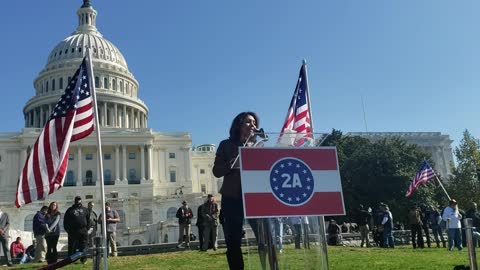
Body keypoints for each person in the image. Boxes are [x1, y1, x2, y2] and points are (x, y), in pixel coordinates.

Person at [212, 112, 260, 269]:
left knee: (264, 237)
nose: (252, 125)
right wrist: (232, 164)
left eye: (254, 122)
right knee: (233, 243)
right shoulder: (226, 145)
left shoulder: (260, 146)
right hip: (232, 198)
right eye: (248, 122)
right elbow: (216, 171)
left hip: (256, 197)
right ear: (239, 125)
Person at [64, 196, 90, 263]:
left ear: (81, 200)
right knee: (72, 245)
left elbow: (88, 219)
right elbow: (65, 221)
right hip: (73, 230)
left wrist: (87, 228)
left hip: (83, 230)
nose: (78, 201)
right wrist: (68, 230)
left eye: (79, 200)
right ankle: (70, 260)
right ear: (75, 201)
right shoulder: (70, 210)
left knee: (84, 245)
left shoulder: (85, 209)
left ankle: (84, 259)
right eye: (77, 200)